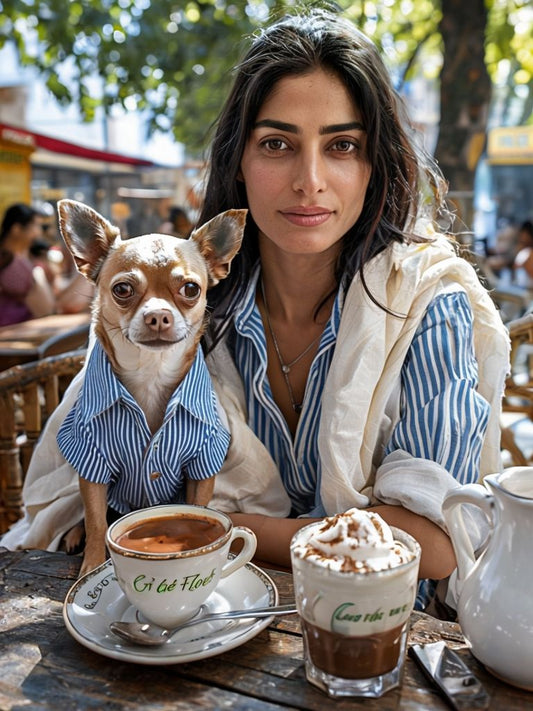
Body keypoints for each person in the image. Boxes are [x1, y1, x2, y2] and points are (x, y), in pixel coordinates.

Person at [0, 9, 509, 615]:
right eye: (277, 144)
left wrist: (215, 524)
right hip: (205, 616)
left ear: (374, 166)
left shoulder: (426, 304)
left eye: (342, 145)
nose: (310, 180)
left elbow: (431, 543)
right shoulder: (192, 309)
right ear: (238, 159)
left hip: (379, 632)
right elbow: (94, 473)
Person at [0, 203, 55, 326]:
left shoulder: (26, 256)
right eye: (34, 226)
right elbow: (45, 307)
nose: (38, 232)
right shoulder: (7, 259)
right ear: (16, 229)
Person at [512, 220, 533, 290]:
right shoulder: (523, 251)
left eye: (526, 234)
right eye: (522, 234)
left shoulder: (529, 252)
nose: (523, 237)